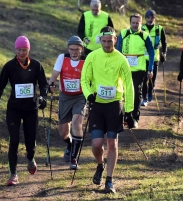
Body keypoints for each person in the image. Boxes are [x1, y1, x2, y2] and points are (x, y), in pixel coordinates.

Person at [81, 26, 135, 194]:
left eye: (109, 41)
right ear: (100, 40)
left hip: (114, 105)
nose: (106, 44)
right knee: (97, 144)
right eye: (104, 41)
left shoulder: (121, 59)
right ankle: (100, 164)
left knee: (112, 142)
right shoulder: (92, 56)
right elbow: (84, 79)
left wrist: (129, 110)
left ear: (115, 40)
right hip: (97, 104)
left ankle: (109, 180)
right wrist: (89, 94)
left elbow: (128, 85)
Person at [0, 36, 48, 186]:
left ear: (29, 50)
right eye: (19, 49)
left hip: (31, 109)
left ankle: (30, 158)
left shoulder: (36, 65)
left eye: (24, 49)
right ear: (15, 50)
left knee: (30, 141)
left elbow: (43, 85)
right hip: (14, 109)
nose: (21, 52)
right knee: (14, 140)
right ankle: (13, 174)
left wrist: (42, 98)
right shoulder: (9, 66)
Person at [48, 36, 86, 170]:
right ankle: (70, 145)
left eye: (77, 49)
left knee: (77, 123)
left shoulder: (86, 60)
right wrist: (51, 84)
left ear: (81, 49)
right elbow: (54, 74)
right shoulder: (62, 58)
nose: (74, 52)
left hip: (80, 96)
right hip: (65, 96)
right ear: (68, 49)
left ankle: (74, 158)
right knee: (63, 132)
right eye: (71, 49)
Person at [116, 13, 155, 128]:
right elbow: (118, 50)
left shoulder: (145, 35)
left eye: (137, 23)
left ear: (141, 23)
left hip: (139, 69)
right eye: (133, 23)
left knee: (136, 93)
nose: (135, 25)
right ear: (130, 23)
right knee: (123, 92)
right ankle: (124, 117)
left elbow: (151, 52)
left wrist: (150, 69)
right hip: (124, 69)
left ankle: (135, 118)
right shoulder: (124, 33)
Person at [141, 9, 167, 106]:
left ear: (154, 18)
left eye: (151, 17)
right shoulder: (142, 28)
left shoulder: (159, 28)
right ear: (145, 18)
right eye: (148, 17)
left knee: (152, 79)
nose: (149, 19)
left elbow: (164, 43)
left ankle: (150, 91)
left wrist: (164, 53)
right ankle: (144, 98)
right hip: (143, 58)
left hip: (155, 58)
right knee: (144, 79)